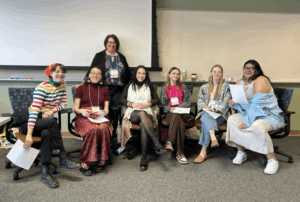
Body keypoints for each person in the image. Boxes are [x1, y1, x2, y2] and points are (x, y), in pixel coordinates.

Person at [21, 63, 80, 189]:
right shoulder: (42, 88)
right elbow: (34, 111)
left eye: (63, 72)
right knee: (53, 122)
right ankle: (63, 156)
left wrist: (52, 111)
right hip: (31, 121)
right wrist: (29, 134)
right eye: (57, 71)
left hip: (46, 121)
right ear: (51, 74)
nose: (61, 74)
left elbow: (63, 104)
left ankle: (45, 172)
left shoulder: (63, 85)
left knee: (46, 134)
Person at [226, 60, 284, 175]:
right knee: (232, 120)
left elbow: (257, 105)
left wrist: (247, 123)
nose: (248, 70)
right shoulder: (239, 82)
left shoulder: (261, 80)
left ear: (257, 70)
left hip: (268, 115)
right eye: (245, 68)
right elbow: (242, 104)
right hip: (249, 114)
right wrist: (234, 103)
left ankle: (272, 160)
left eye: (251, 68)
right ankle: (241, 152)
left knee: (257, 126)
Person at [117, 65, 166, 171]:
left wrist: (148, 104)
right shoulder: (129, 85)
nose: (141, 75)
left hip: (147, 111)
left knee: (144, 123)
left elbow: (157, 100)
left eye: (143, 73)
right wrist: (132, 103)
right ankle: (156, 142)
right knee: (141, 115)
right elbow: (121, 99)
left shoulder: (149, 86)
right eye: (139, 73)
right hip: (133, 112)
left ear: (146, 75)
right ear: (135, 74)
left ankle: (144, 158)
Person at [84, 34, 132, 141]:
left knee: (116, 112)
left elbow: (128, 74)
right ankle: (103, 135)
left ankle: (113, 135)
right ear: (106, 43)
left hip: (118, 90)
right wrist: (84, 83)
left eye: (114, 42)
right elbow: (91, 71)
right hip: (103, 89)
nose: (112, 44)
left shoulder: (121, 57)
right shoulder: (99, 56)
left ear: (117, 44)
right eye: (110, 42)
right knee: (105, 111)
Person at [74, 66, 112, 176]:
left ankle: (103, 159)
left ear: (101, 77)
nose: (95, 75)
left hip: (99, 116)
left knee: (103, 128)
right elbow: (75, 108)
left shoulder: (104, 89)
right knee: (93, 128)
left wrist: (102, 113)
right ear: (89, 75)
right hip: (84, 116)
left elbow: (106, 109)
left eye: (98, 73)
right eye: (93, 73)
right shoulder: (81, 88)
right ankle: (85, 161)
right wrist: (83, 111)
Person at [193, 65, 231, 163]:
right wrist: (205, 107)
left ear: (222, 74)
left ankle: (203, 152)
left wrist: (216, 109)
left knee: (206, 120)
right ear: (211, 73)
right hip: (207, 111)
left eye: (219, 72)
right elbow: (200, 100)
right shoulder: (204, 87)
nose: (216, 73)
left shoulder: (226, 87)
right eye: (214, 71)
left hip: (220, 114)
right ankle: (213, 137)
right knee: (206, 114)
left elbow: (226, 103)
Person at [160, 67, 192, 164]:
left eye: (178, 74)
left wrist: (178, 107)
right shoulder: (164, 88)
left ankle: (170, 141)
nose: (176, 75)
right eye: (173, 73)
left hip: (183, 112)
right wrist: (170, 109)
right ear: (169, 74)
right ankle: (180, 153)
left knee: (176, 115)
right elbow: (163, 104)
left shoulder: (183, 86)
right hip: (171, 113)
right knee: (178, 121)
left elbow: (188, 101)